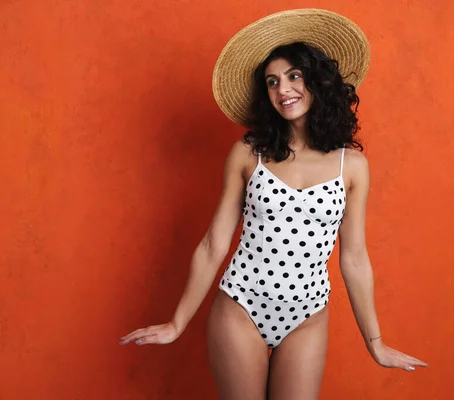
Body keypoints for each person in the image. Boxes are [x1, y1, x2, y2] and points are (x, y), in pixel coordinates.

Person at [120, 9, 428, 400]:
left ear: (318, 82)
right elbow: (214, 243)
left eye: (294, 76)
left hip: (307, 316)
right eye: (272, 82)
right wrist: (177, 323)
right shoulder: (249, 154)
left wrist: (376, 342)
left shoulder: (351, 166)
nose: (283, 89)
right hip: (241, 307)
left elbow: (354, 259)